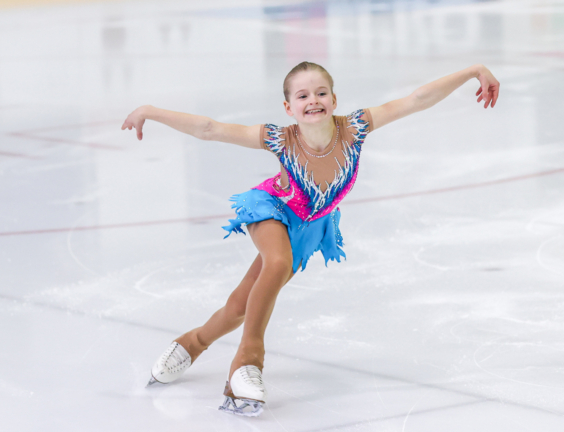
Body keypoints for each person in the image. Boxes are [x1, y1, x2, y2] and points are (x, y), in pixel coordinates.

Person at [121, 61, 499, 416]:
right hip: (272, 208)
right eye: (302, 96)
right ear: (289, 107)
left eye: (321, 93)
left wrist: (472, 71)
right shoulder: (280, 139)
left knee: (241, 305)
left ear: (334, 100)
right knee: (278, 262)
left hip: (310, 225)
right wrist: (152, 110)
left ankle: (191, 343)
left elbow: (416, 100)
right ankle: (248, 362)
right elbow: (209, 128)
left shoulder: (355, 128)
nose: (313, 101)